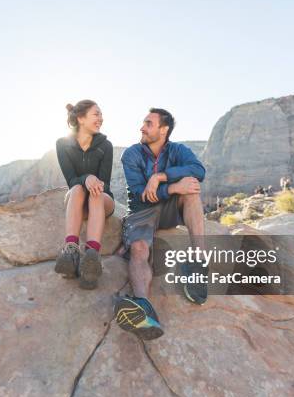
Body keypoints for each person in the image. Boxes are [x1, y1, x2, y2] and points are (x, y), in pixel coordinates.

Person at [114, 108, 207, 340]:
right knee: (139, 249)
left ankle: (198, 264)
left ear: (163, 130)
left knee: (192, 190)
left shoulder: (178, 150)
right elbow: (139, 193)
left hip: (167, 211)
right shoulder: (132, 154)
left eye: (148, 123)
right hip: (141, 212)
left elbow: (198, 170)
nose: (142, 127)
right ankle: (143, 308)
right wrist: (174, 187)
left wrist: (159, 177)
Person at [54, 100, 115, 290]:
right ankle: (71, 251)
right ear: (81, 118)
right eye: (96, 114)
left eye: (101, 115)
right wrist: (86, 177)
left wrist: (93, 180)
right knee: (78, 189)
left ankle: (91, 257)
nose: (101, 119)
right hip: (77, 199)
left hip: (101, 200)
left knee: (96, 192)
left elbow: (104, 183)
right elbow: (71, 180)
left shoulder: (106, 146)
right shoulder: (62, 144)